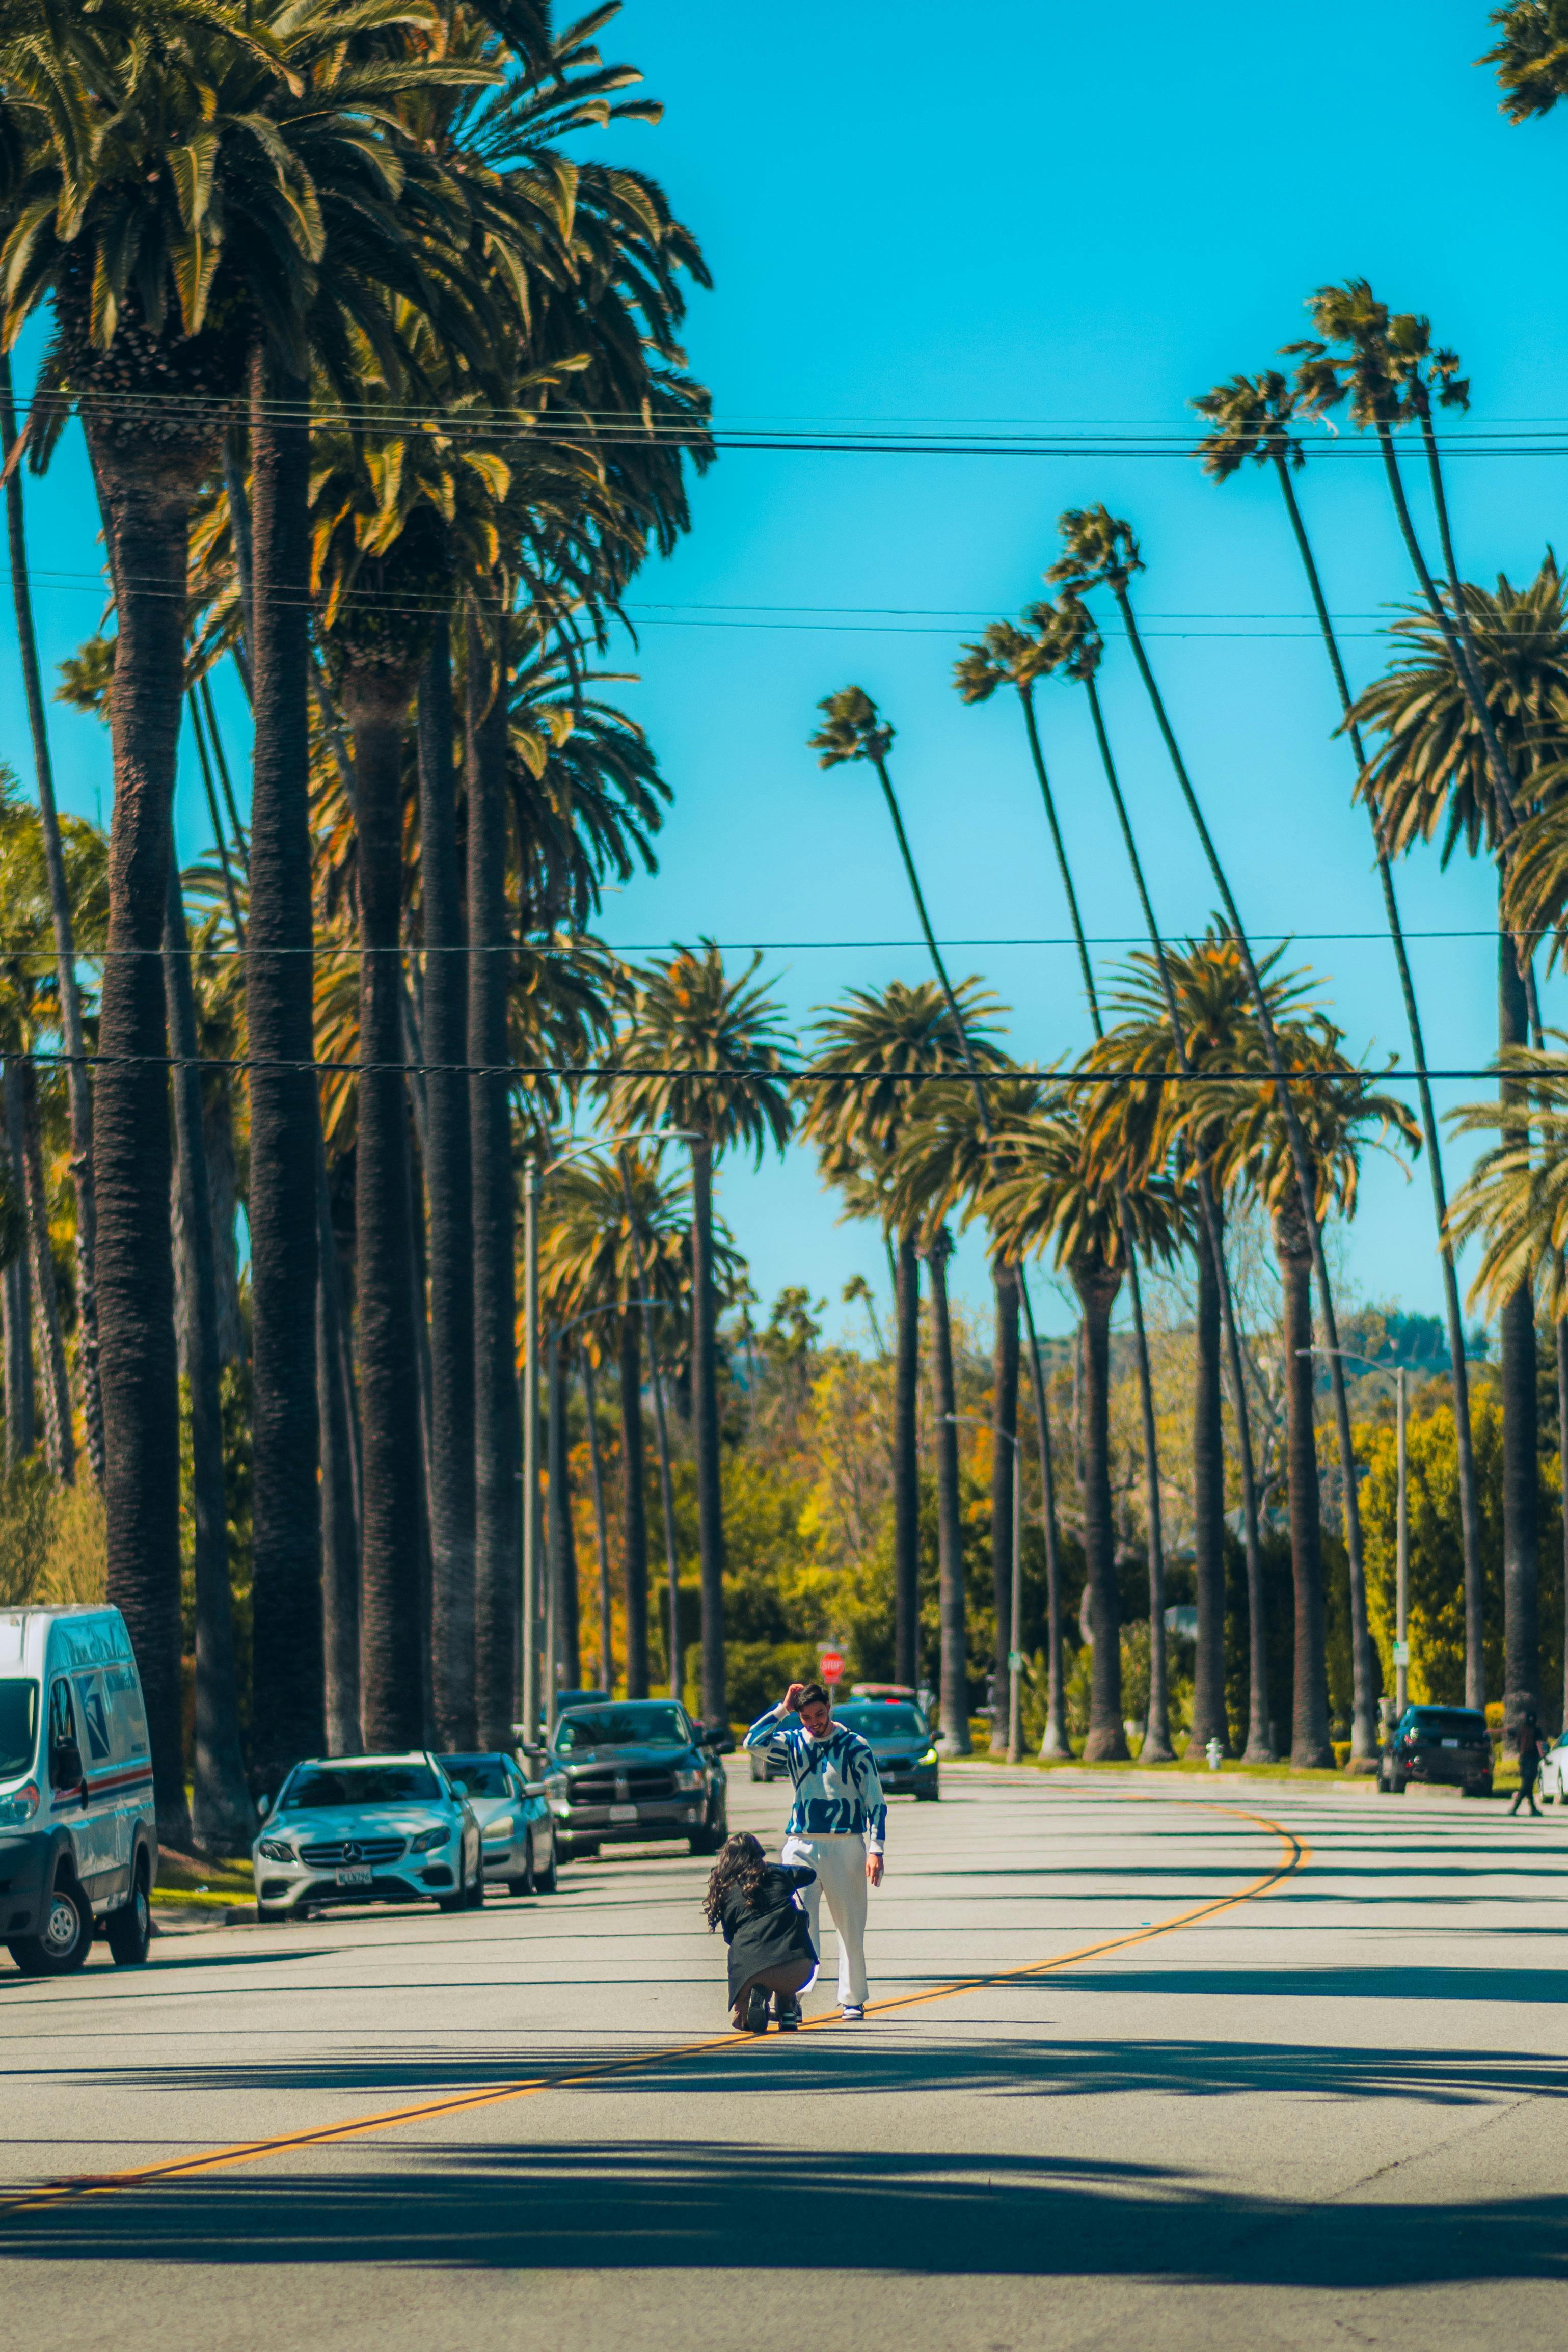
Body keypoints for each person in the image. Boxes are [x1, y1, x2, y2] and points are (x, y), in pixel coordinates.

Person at [744, 1678, 885, 2021]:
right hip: (800, 1845)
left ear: (829, 1708)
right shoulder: (793, 1743)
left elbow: (875, 1801)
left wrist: (876, 1848)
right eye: (806, 1717)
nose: (814, 1722)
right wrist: (783, 1708)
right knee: (797, 1926)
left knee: (850, 1926)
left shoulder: (855, 1746)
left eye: (819, 1714)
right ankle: (792, 1999)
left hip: (846, 1844)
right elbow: (752, 1741)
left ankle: (852, 1999)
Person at [704, 1832, 818, 2033]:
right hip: (799, 1967)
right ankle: (787, 2010)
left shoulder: (726, 1888)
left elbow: (730, 1938)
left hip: (753, 1970)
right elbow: (809, 1874)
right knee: (786, 1942)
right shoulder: (777, 1875)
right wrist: (773, 1869)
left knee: (742, 2023)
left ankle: (757, 2001)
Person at [1510, 1715, 1545, 1818]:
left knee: (1528, 1785)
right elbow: (1539, 1744)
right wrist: (1544, 1756)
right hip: (1532, 1760)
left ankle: (1533, 1809)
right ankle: (1515, 1808)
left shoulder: (1521, 1731)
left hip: (1523, 1759)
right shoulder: (1536, 1731)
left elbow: (1513, 1737)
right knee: (1527, 1785)